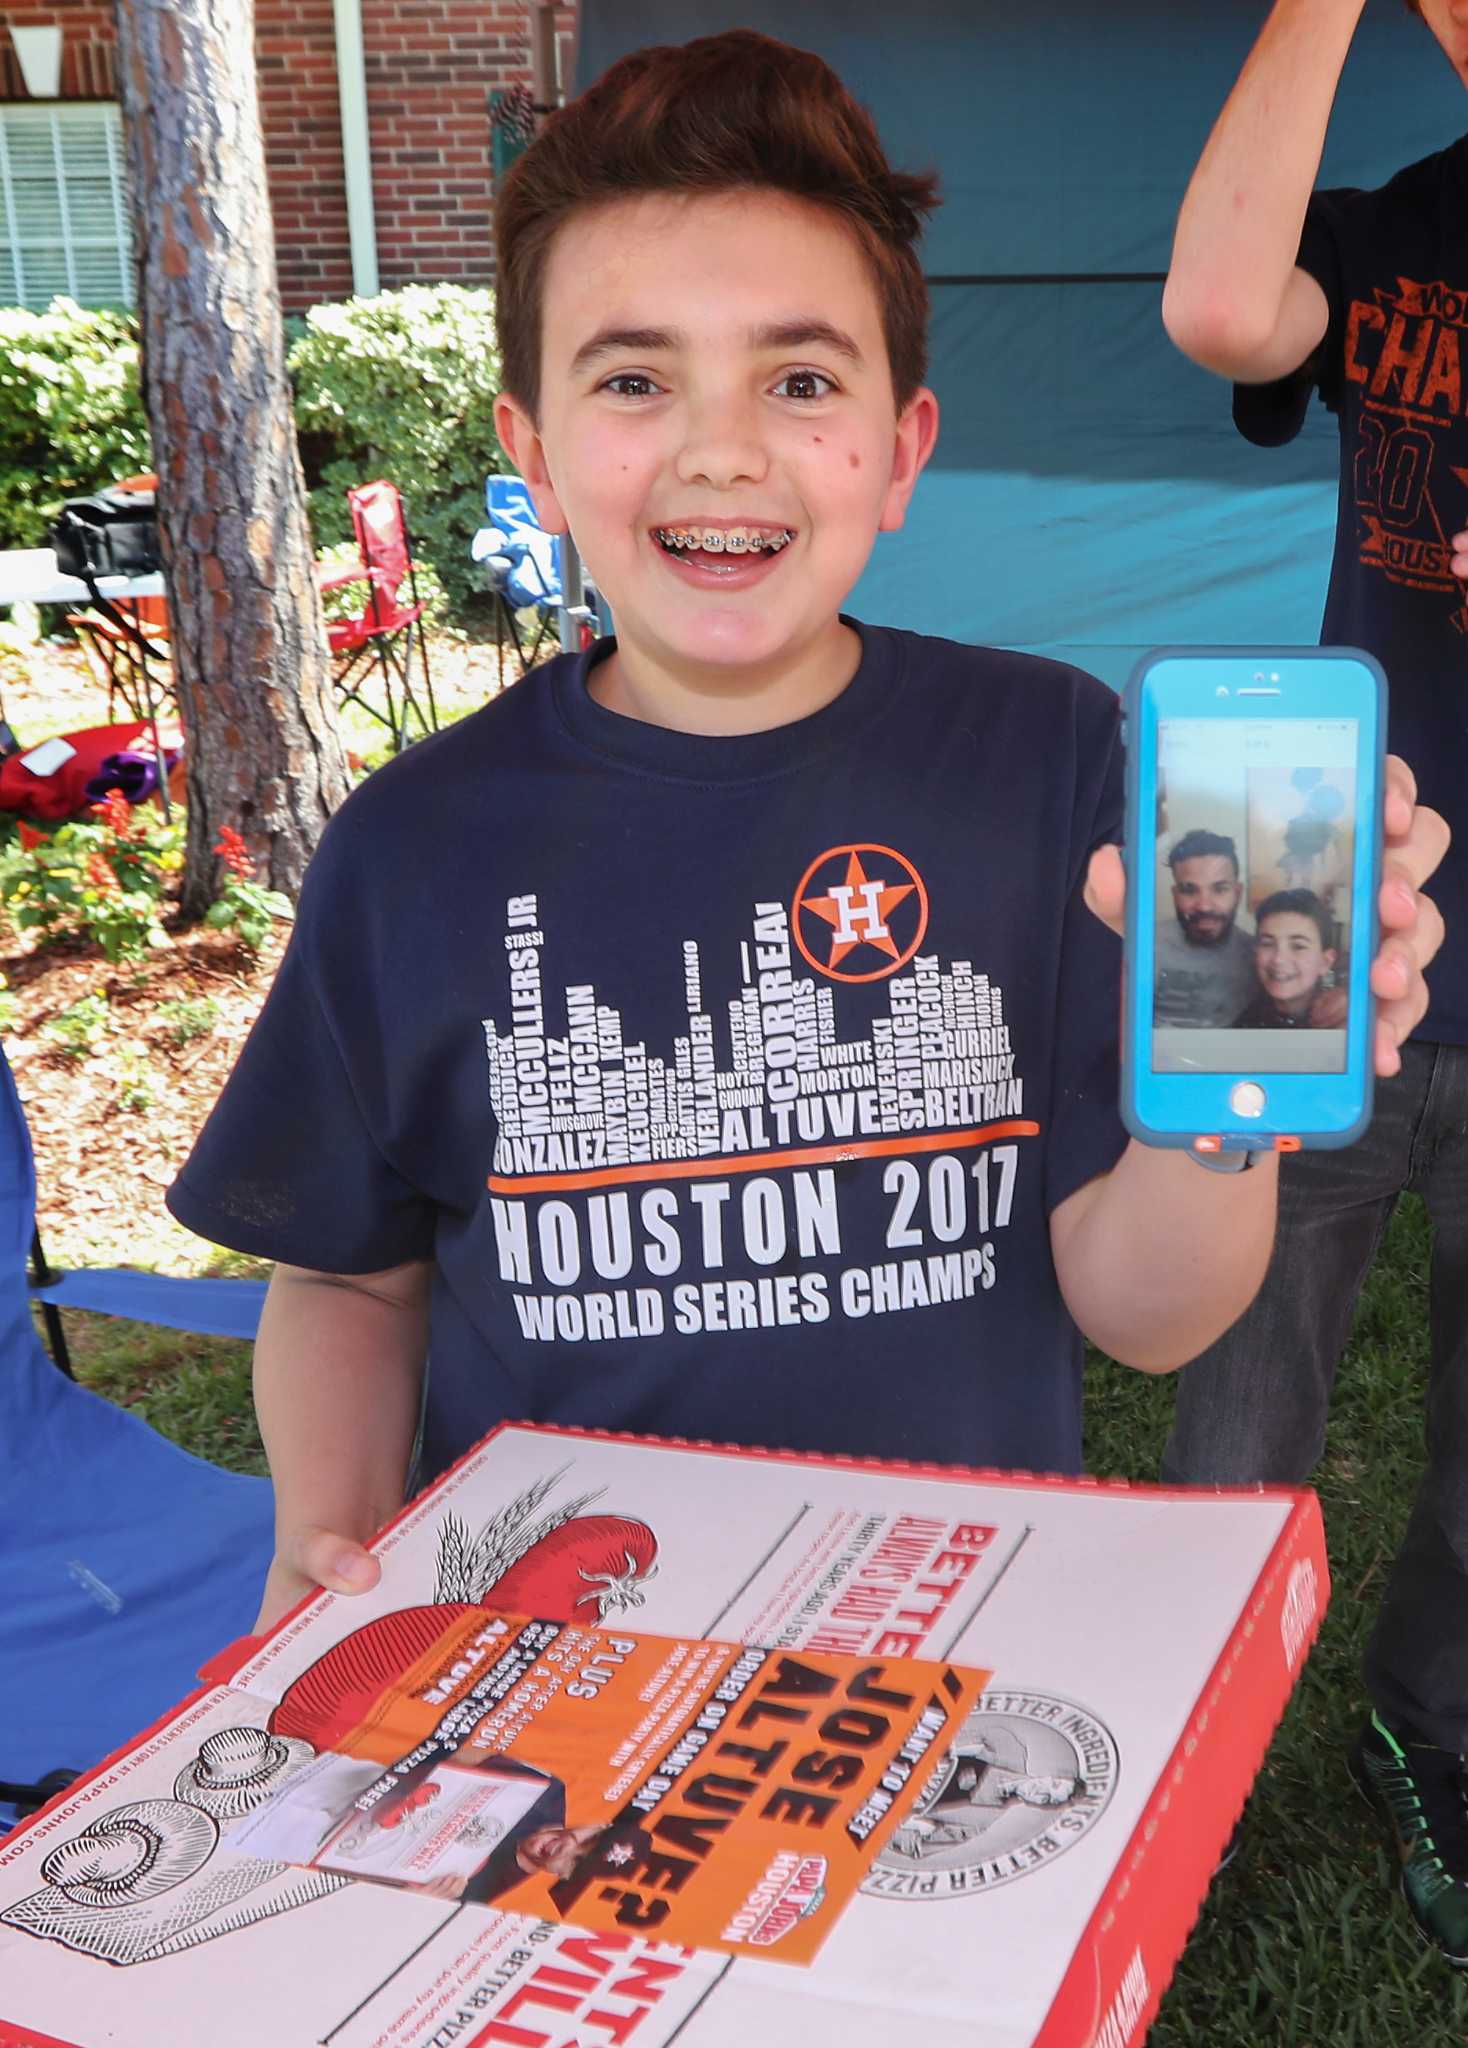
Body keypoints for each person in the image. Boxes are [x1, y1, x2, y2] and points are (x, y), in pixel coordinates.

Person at [168, 34, 1440, 1711]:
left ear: (903, 449)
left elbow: (1145, 1318)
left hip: (959, 1664)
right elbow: (341, 1264)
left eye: (800, 379)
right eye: (631, 381)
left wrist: (1219, 1107)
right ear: (531, 450)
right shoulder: (410, 846)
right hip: (551, 1670)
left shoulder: (1050, 760)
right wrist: (320, 1529)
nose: (719, 450)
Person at [1163, 0, 1468, 1961]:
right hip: (1318, 878)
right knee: (1236, 1342)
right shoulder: (1384, 225)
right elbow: (1213, 312)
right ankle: (1159, 1724)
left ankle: (1425, 1723)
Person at [1153, 829, 1258, 1027]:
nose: (1204, 906)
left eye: (1219, 889)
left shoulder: (1259, 956)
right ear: (1175, 895)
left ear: (1237, 893)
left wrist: (1335, 999)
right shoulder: (1146, 945)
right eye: (1189, 890)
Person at [1232, 889, 1341, 1030]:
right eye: (1267, 944)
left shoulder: (1344, 1020)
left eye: (1298, 946)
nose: (1278, 959)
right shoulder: (1245, 1023)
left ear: (1325, 961)